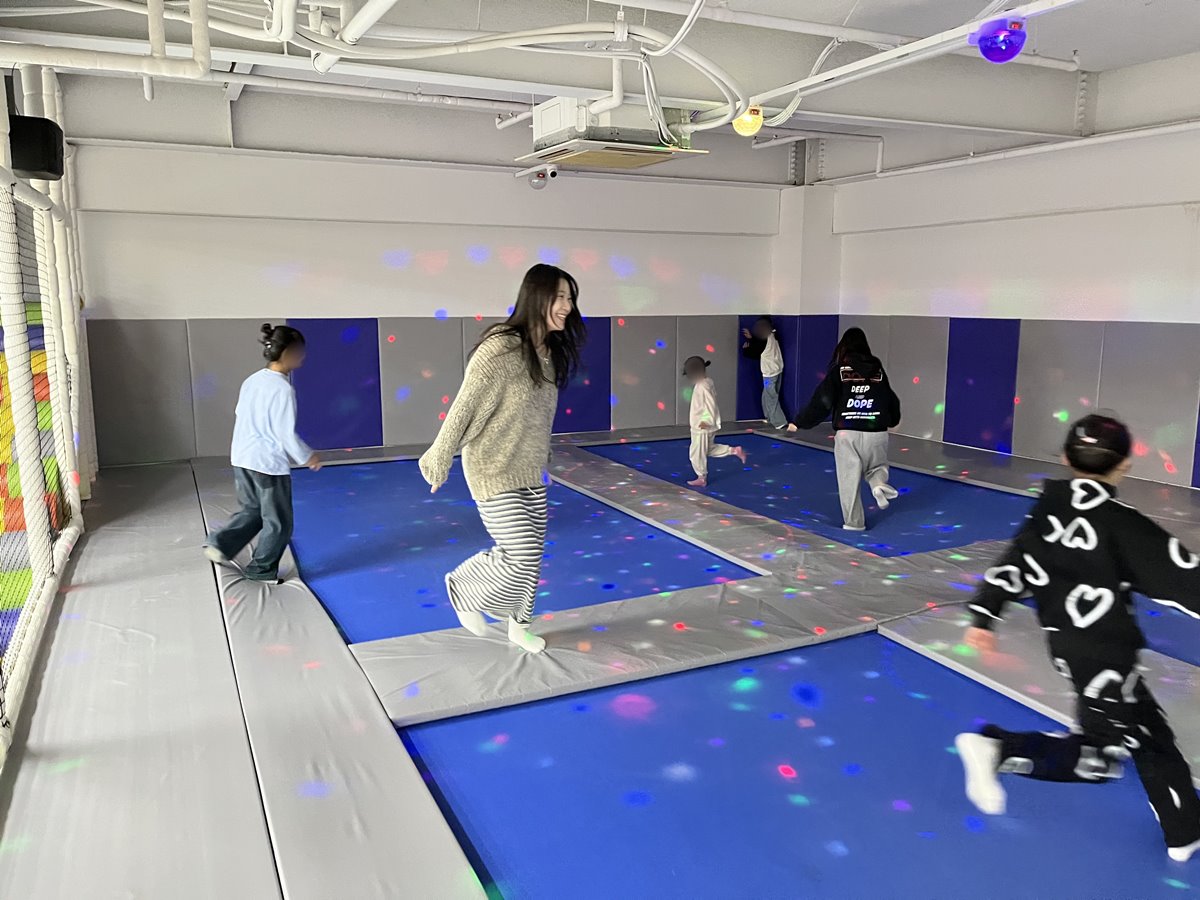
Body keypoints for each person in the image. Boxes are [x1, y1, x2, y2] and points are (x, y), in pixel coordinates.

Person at [956, 413, 1200, 863]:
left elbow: (1014, 564)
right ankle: (1000, 748)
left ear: (1066, 458)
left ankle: (1183, 832)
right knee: (1105, 754)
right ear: (1125, 463)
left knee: (1145, 734)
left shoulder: (1047, 508)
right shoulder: (1122, 523)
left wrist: (984, 615)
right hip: (1108, 654)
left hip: (1069, 648)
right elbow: (1183, 578)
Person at [419, 264, 584, 654]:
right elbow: (464, 405)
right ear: (537, 297)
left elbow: (538, 416)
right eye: (560, 297)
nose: (567, 306)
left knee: (532, 559)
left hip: (531, 470)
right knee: (520, 552)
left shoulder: (549, 354)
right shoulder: (501, 347)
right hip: (492, 468)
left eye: (570, 298)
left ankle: (519, 626)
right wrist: (439, 456)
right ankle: (463, 587)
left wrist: (544, 457)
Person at [204, 324, 322, 584]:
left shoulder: (252, 380)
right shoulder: (283, 389)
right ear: (288, 353)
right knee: (279, 521)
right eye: (300, 352)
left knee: (253, 510)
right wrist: (307, 456)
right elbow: (284, 433)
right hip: (266, 463)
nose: (303, 357)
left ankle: (219, 544)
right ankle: (260, 570)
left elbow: (240, 413)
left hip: (242, 456)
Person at [786, 327, 900, 531]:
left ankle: (854, 523)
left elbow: (822, 401)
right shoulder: (877, 370)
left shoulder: (840, 371)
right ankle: (878, 484)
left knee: (849, 479)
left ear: (843, 347)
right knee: (877, 466)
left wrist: (800, 422)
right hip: (877, 431)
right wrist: (893, 420)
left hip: (848, 433)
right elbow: (889, 398)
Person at [683, 355, 746, 488]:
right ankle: (734, 450)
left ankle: (701, 477)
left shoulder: (702, 386)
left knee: (696, 453)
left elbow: (710, 405)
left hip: (702, 427)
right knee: (708, 449)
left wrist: (706, 420)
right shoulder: (708, 382)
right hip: (705, 426)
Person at [741, 316, 787, 429]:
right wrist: (752, 338)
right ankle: (769, 417)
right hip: (778, 369)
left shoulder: (763, 340)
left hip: (769, 374)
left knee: (770, 396)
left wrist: (746, 349)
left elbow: (755, 352)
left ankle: (779, 422)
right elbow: (760, 344)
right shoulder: (773, 335)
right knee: (768, 394)